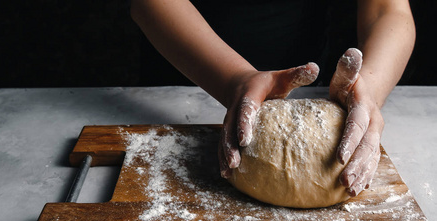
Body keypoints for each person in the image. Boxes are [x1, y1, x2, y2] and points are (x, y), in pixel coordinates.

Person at [130, 0, 415, 197]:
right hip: (182, 85)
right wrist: (233, 80)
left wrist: (368, 89)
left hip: (310, 95)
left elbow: (388, 9)